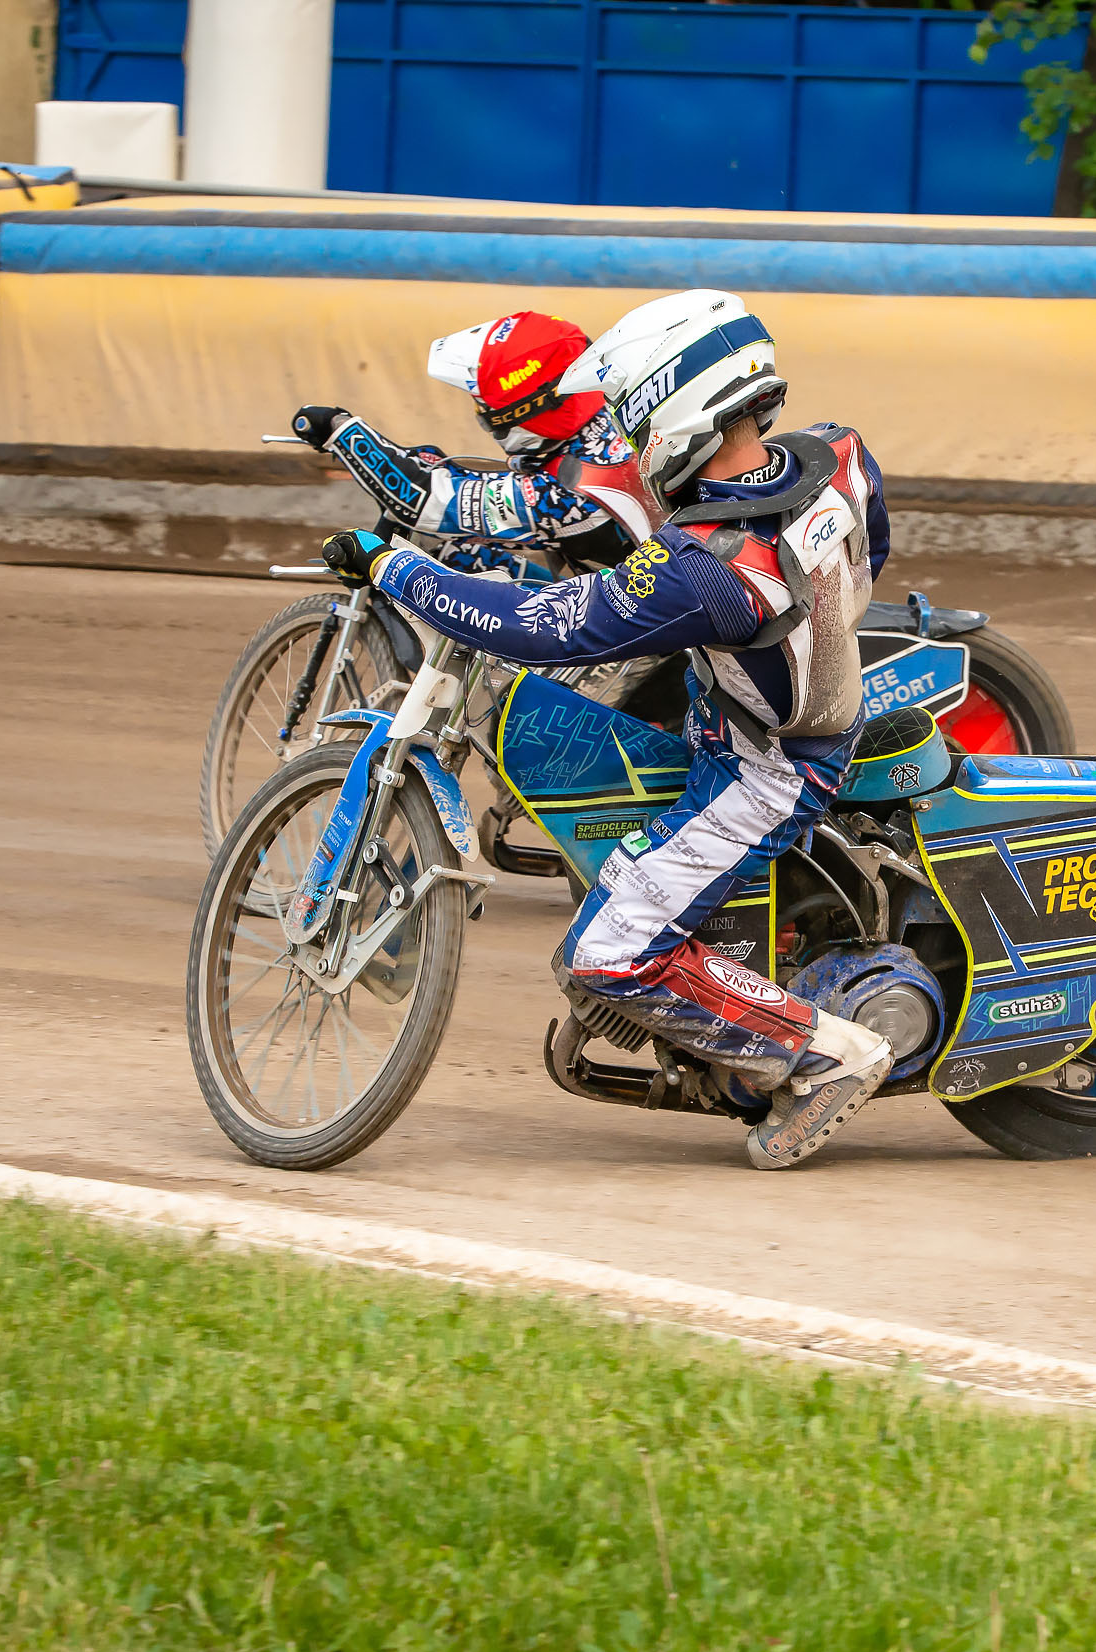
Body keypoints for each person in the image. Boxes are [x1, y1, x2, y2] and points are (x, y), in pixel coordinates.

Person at [315, 289, 897, 1166]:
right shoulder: (840, 452)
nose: (621, 445)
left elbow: (532, 625)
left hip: (764, 769)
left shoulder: (705, 565)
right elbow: (874, 547)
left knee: (606, 953)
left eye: (633, 423)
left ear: (676, 412)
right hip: (773, 707)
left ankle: (824, 1055)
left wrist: (394, 565)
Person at [288, 308, 641, 582]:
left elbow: (426, 500)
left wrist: (340, 429)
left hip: (657, 646)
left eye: (483, 408)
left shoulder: (568, 486)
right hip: (646, 602)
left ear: (521, 410)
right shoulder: (611, 428)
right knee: (457, 555)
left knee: (452, 578)